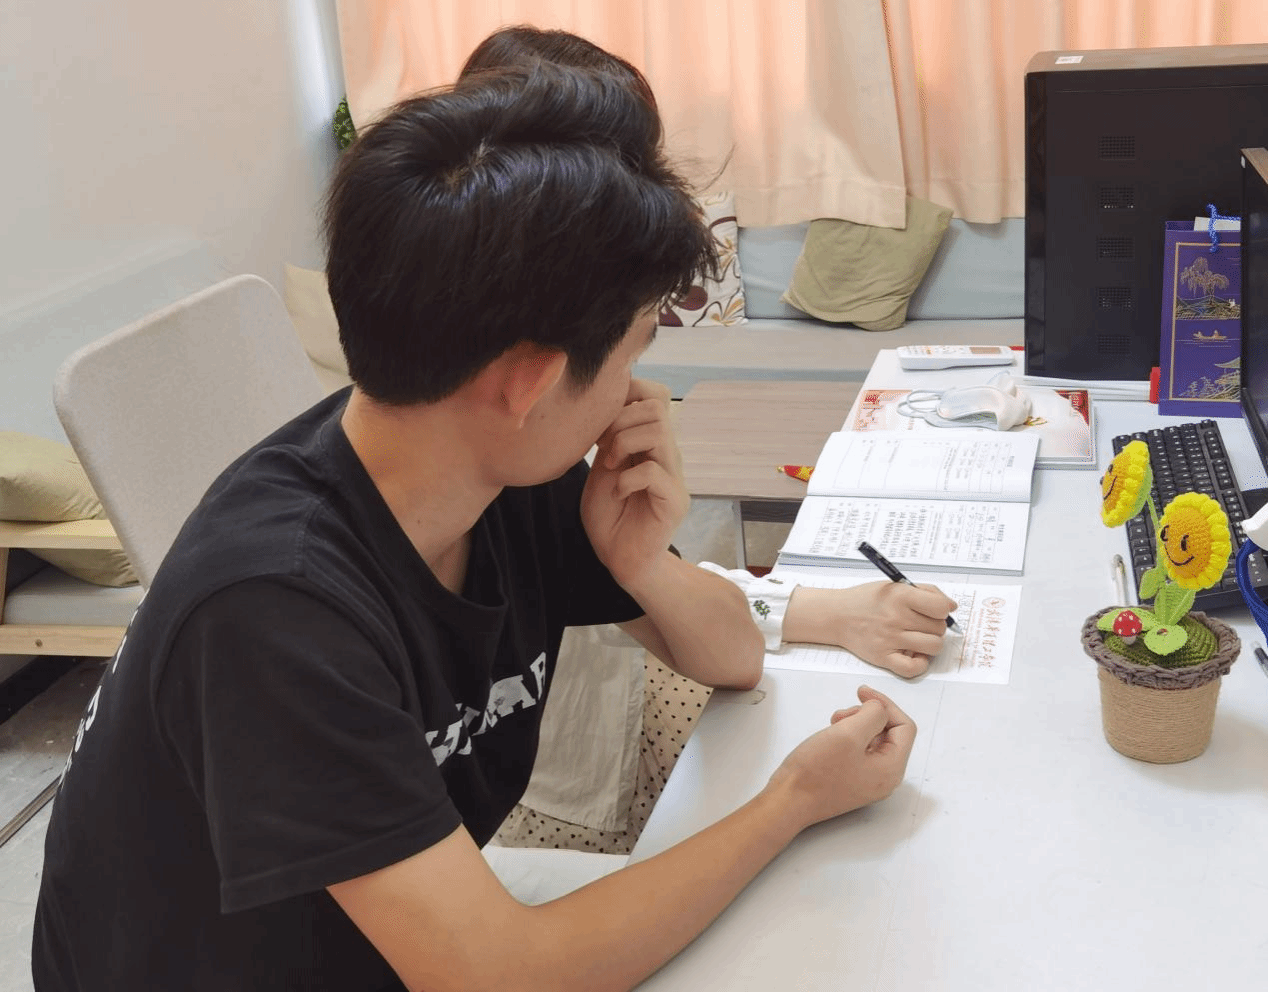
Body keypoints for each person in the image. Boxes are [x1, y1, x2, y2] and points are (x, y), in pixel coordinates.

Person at [32, 60, 918, 992]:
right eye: (634, 350)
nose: (638, 391)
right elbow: (499, 976)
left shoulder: (490, 464)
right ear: (530, 382)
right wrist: (793, 801)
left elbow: (733, 659)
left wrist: (641, 564)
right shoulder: (273, 612)